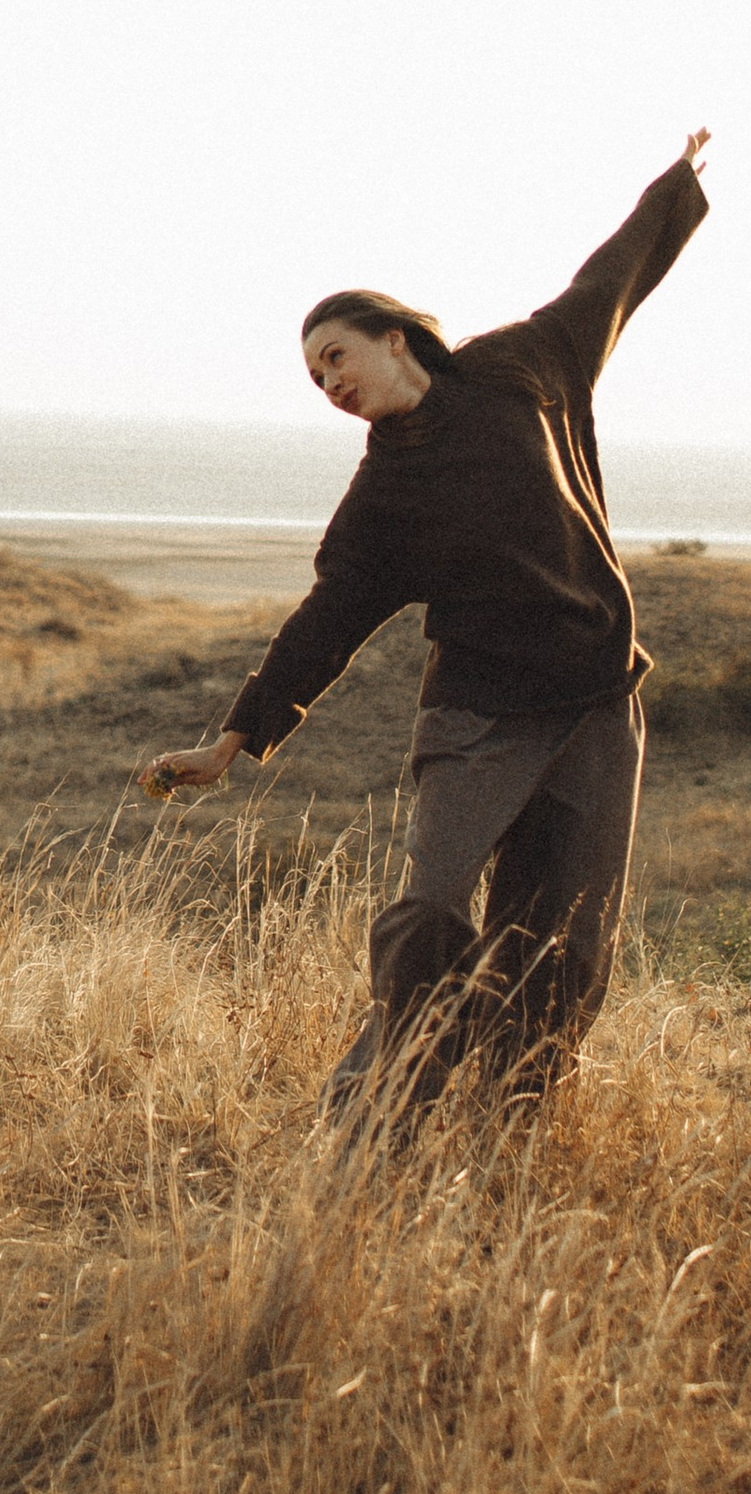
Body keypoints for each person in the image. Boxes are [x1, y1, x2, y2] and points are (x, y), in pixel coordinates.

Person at [144, 135, 711, 1127]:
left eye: (336, 357)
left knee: (566, 938)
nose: (329, 384)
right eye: (315, 378)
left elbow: (609, 279)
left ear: (395, 338)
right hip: (480, 716)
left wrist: (673, 186)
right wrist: (232, 741)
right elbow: (326, 620)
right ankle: (379, 1105)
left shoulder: (523, 368)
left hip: (597, 705)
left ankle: (509, 1119)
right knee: (433, 908)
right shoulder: (383, 494)